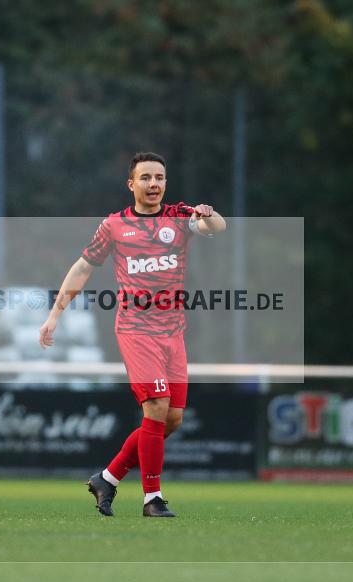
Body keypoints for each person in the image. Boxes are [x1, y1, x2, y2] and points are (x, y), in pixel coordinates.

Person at [39, 152, 226, 517]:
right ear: (131, 184)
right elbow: (82, 268)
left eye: (159, 177)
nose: (153, 184)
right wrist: (54, 314)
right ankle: (152, 499)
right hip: (136, 330)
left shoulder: (179, 216)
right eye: (146, 178)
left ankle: (107, 477)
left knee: (171, 420)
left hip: (173, 331)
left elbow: (216, 228)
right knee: (155, 408)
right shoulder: (113, 226)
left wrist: (209, 213)